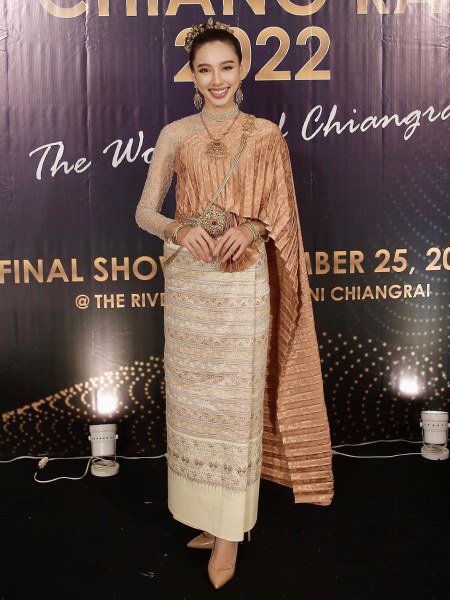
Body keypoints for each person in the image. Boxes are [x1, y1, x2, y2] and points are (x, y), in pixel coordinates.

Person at [135, 18, 334, 590]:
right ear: (192, 75)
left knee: (236, 406)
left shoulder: (265, 135)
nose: (216, 79)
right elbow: (145, 211)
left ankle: (229, 535)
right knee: (194, 406)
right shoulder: (176, 133)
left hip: (243, 286)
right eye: (205, 70)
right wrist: (177, 228)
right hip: (191, 291)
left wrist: (251, 229)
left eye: (226, 67)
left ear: (243, 69)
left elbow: (281, 214)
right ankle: (208, 517)